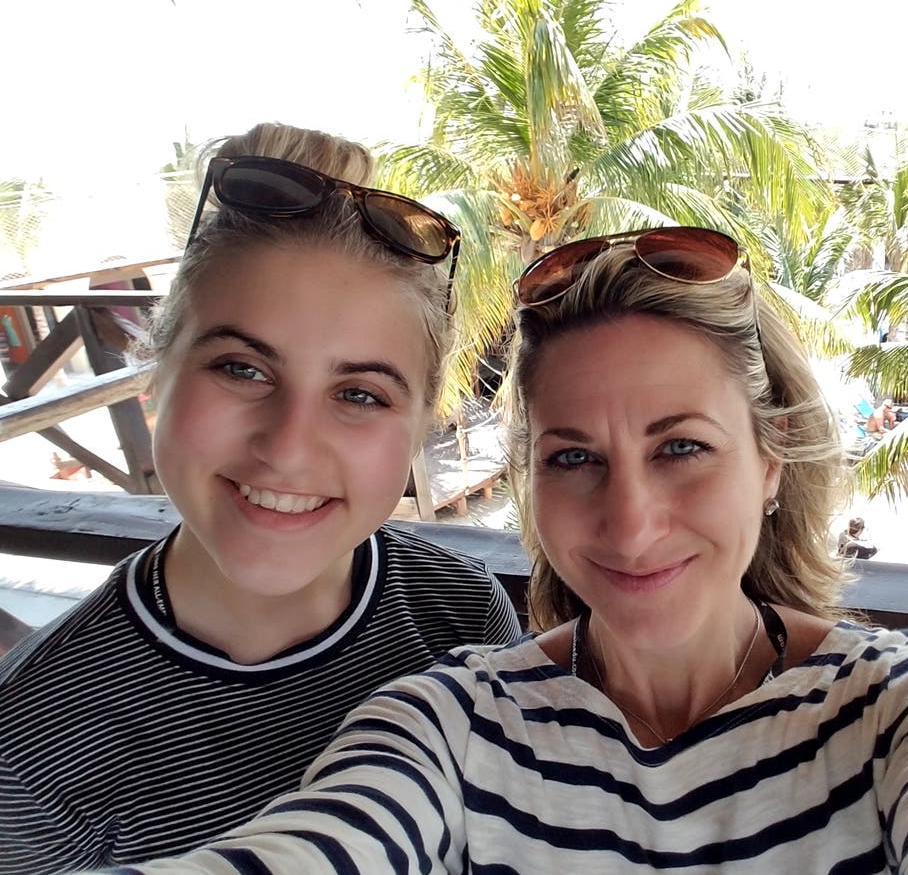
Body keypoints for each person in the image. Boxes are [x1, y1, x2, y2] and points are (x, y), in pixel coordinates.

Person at [103, 226, 908, 872]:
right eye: (574, 458)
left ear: (770, 462)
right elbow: (325, 839)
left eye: (682, 448)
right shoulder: (450, 723)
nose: (629, 523)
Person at [0, 124, 521, 873]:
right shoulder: (34, 746)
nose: (288, 448)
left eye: (360, 393)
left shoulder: (459, 609)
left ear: (418, 424)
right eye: (242, 369)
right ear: (156, 371)